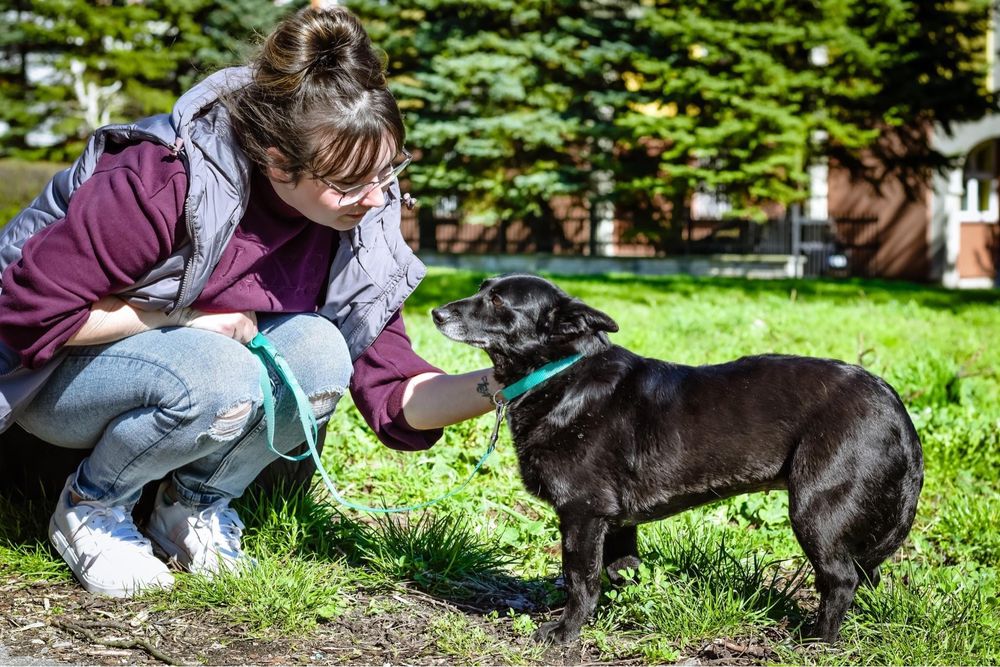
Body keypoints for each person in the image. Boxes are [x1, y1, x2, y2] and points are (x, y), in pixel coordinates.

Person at [0, 5, 498, 597]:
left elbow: (393, 389)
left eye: (388, 173)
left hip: (180, 374)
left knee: (319, 348)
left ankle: (191, 507)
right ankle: (91, 505)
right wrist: (185, 317)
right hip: (49, 373)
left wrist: (509, 384)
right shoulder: (166, 178)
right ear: (277, 160)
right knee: (218, 370)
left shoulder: (358, 217)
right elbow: (24, 316)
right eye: (348, 183)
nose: (374, 199)